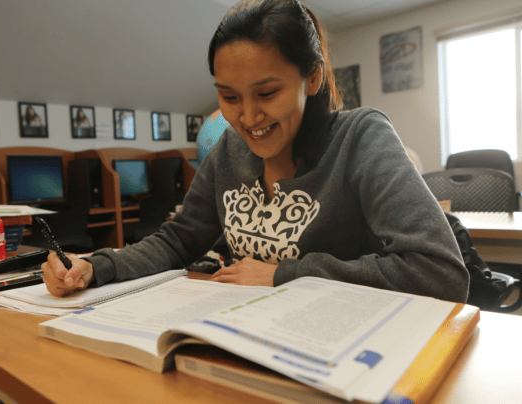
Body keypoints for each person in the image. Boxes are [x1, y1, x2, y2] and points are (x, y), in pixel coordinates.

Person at [42, 0, 469, 303]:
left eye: (267, 92)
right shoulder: (229, 150)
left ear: (313, 77)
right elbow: (177, 241)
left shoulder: (361, 140)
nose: (247, 117)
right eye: (228, 97)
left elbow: (439, 273)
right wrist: (97, 266)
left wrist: (287, 275)